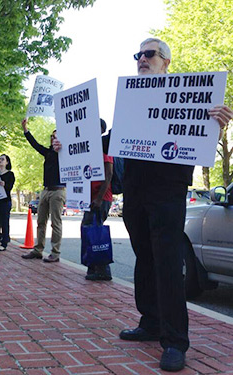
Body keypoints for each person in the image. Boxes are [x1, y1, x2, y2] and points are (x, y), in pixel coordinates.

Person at [109, 38, 233, 372]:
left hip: (168, 190)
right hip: (135, 190)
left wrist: (217, 121)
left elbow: (202, 133)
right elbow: (109, 142)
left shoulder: (193, 97)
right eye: (138, 54)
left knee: (167, 262)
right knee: (144, 258)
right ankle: (149, 322)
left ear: (166, 62)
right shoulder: (131, 100)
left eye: (149, 54)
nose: (141, 59)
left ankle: (175, 341)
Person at [55, 119, 114, 280]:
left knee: (95, 231)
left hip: (100, 199)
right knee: (89, 230)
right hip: (90, 199)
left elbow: (109, 175)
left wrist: (99, 199)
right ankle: (94, 267)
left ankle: (102, 269)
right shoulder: (89, 149)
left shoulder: (103, 148)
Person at [20, 118, 65, 263]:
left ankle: (55, 252)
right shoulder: (48, 153)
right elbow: (35, 145)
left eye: (57, 136)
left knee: (55, 222)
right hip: (45, 190)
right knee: (41, 221)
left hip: (58, 190)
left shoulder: (66, 154)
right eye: (52, 136)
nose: (54, 138)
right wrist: (25, 130)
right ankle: (38, 249)